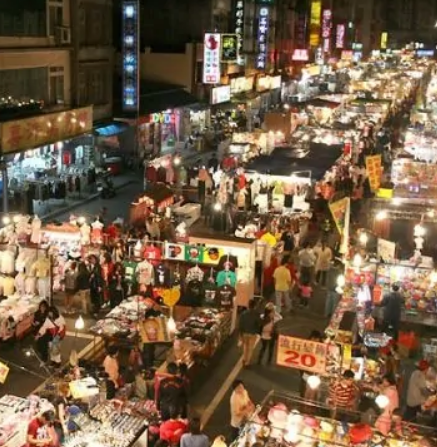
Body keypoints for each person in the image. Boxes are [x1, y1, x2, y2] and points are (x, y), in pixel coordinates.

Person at [238, 300, 261, 367]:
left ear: (248, 305)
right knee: (250, 348)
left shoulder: (243, 314)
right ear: (255, 306)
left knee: (245, 347)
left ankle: (244, 359)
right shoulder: (256, 314)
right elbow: (259, 323)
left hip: (245, 333)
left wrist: (240, 334)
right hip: (252, 333)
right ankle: (247, 362)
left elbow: (240, 324)